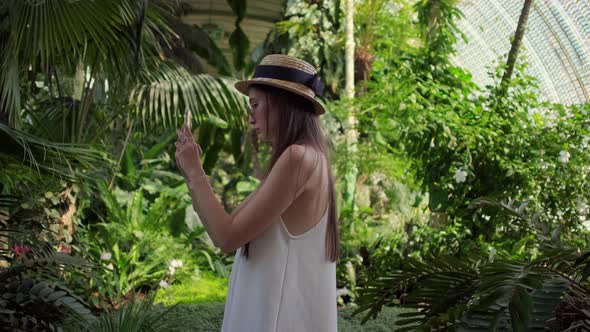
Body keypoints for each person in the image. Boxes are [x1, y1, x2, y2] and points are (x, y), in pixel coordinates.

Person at [175, 54, 339, 332]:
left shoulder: (297, 159)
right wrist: (194, 171)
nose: (251, 118)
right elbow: (228, 226)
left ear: (280, 104)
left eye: (255, 105)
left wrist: (194, 172)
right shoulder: (309, 158)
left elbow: (225, 238)